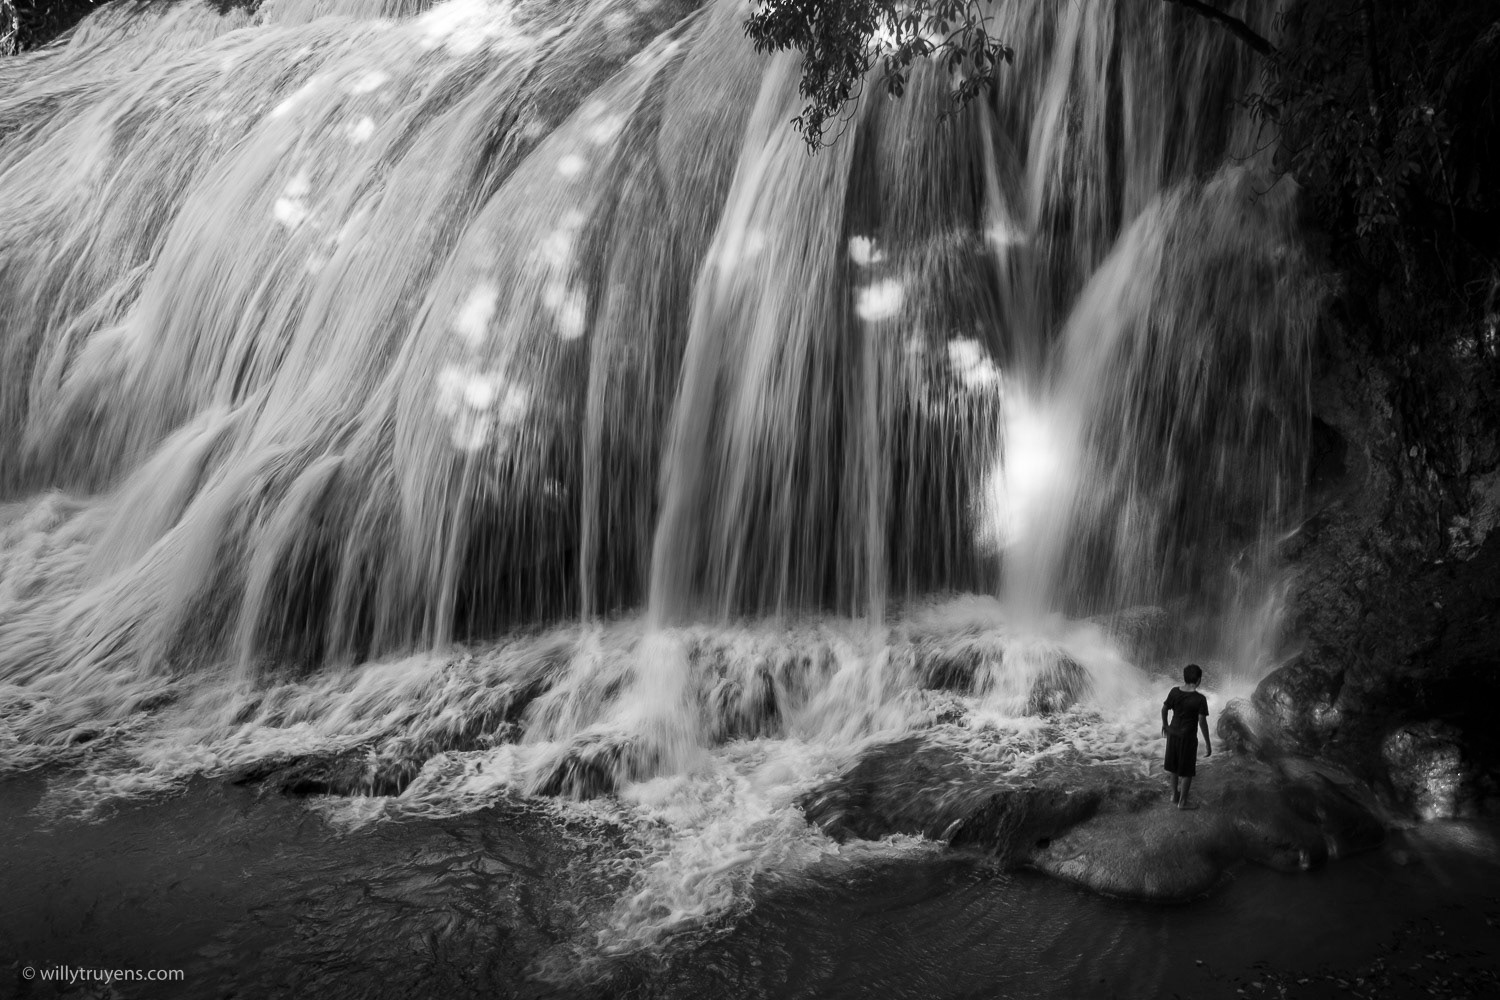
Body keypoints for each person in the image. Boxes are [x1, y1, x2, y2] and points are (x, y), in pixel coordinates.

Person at [1161, 663, 1211, 809]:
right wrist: (1208, 743)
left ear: (1184, 678)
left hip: (1172, 734)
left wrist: (1165, 725)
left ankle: (1173, 795)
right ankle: (1182, 803)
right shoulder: (1200, 699)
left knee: (1174, 767)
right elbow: (1202, 721)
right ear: (1198, 680)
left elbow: (1164, 709)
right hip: (1188, 737)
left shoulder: (1174, 692)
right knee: (1187, 770)